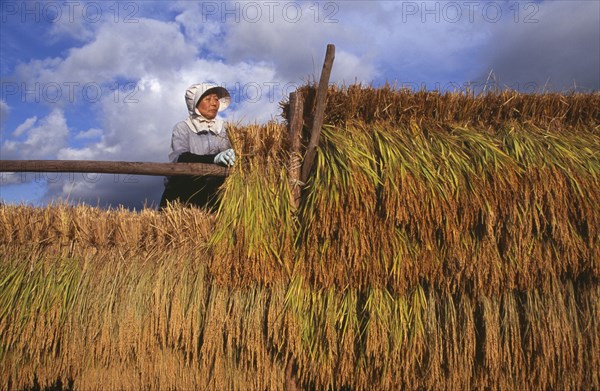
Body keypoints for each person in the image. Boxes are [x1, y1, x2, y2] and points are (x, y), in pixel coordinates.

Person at [159, 83, 235, 210]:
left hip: (217, 194)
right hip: (187, 192)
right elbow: (180, 157)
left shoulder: (226, 129)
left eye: (216, 99)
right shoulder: (183, 127)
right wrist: (214, 159)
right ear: (195, 104)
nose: (214, 103)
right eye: (207, 99)